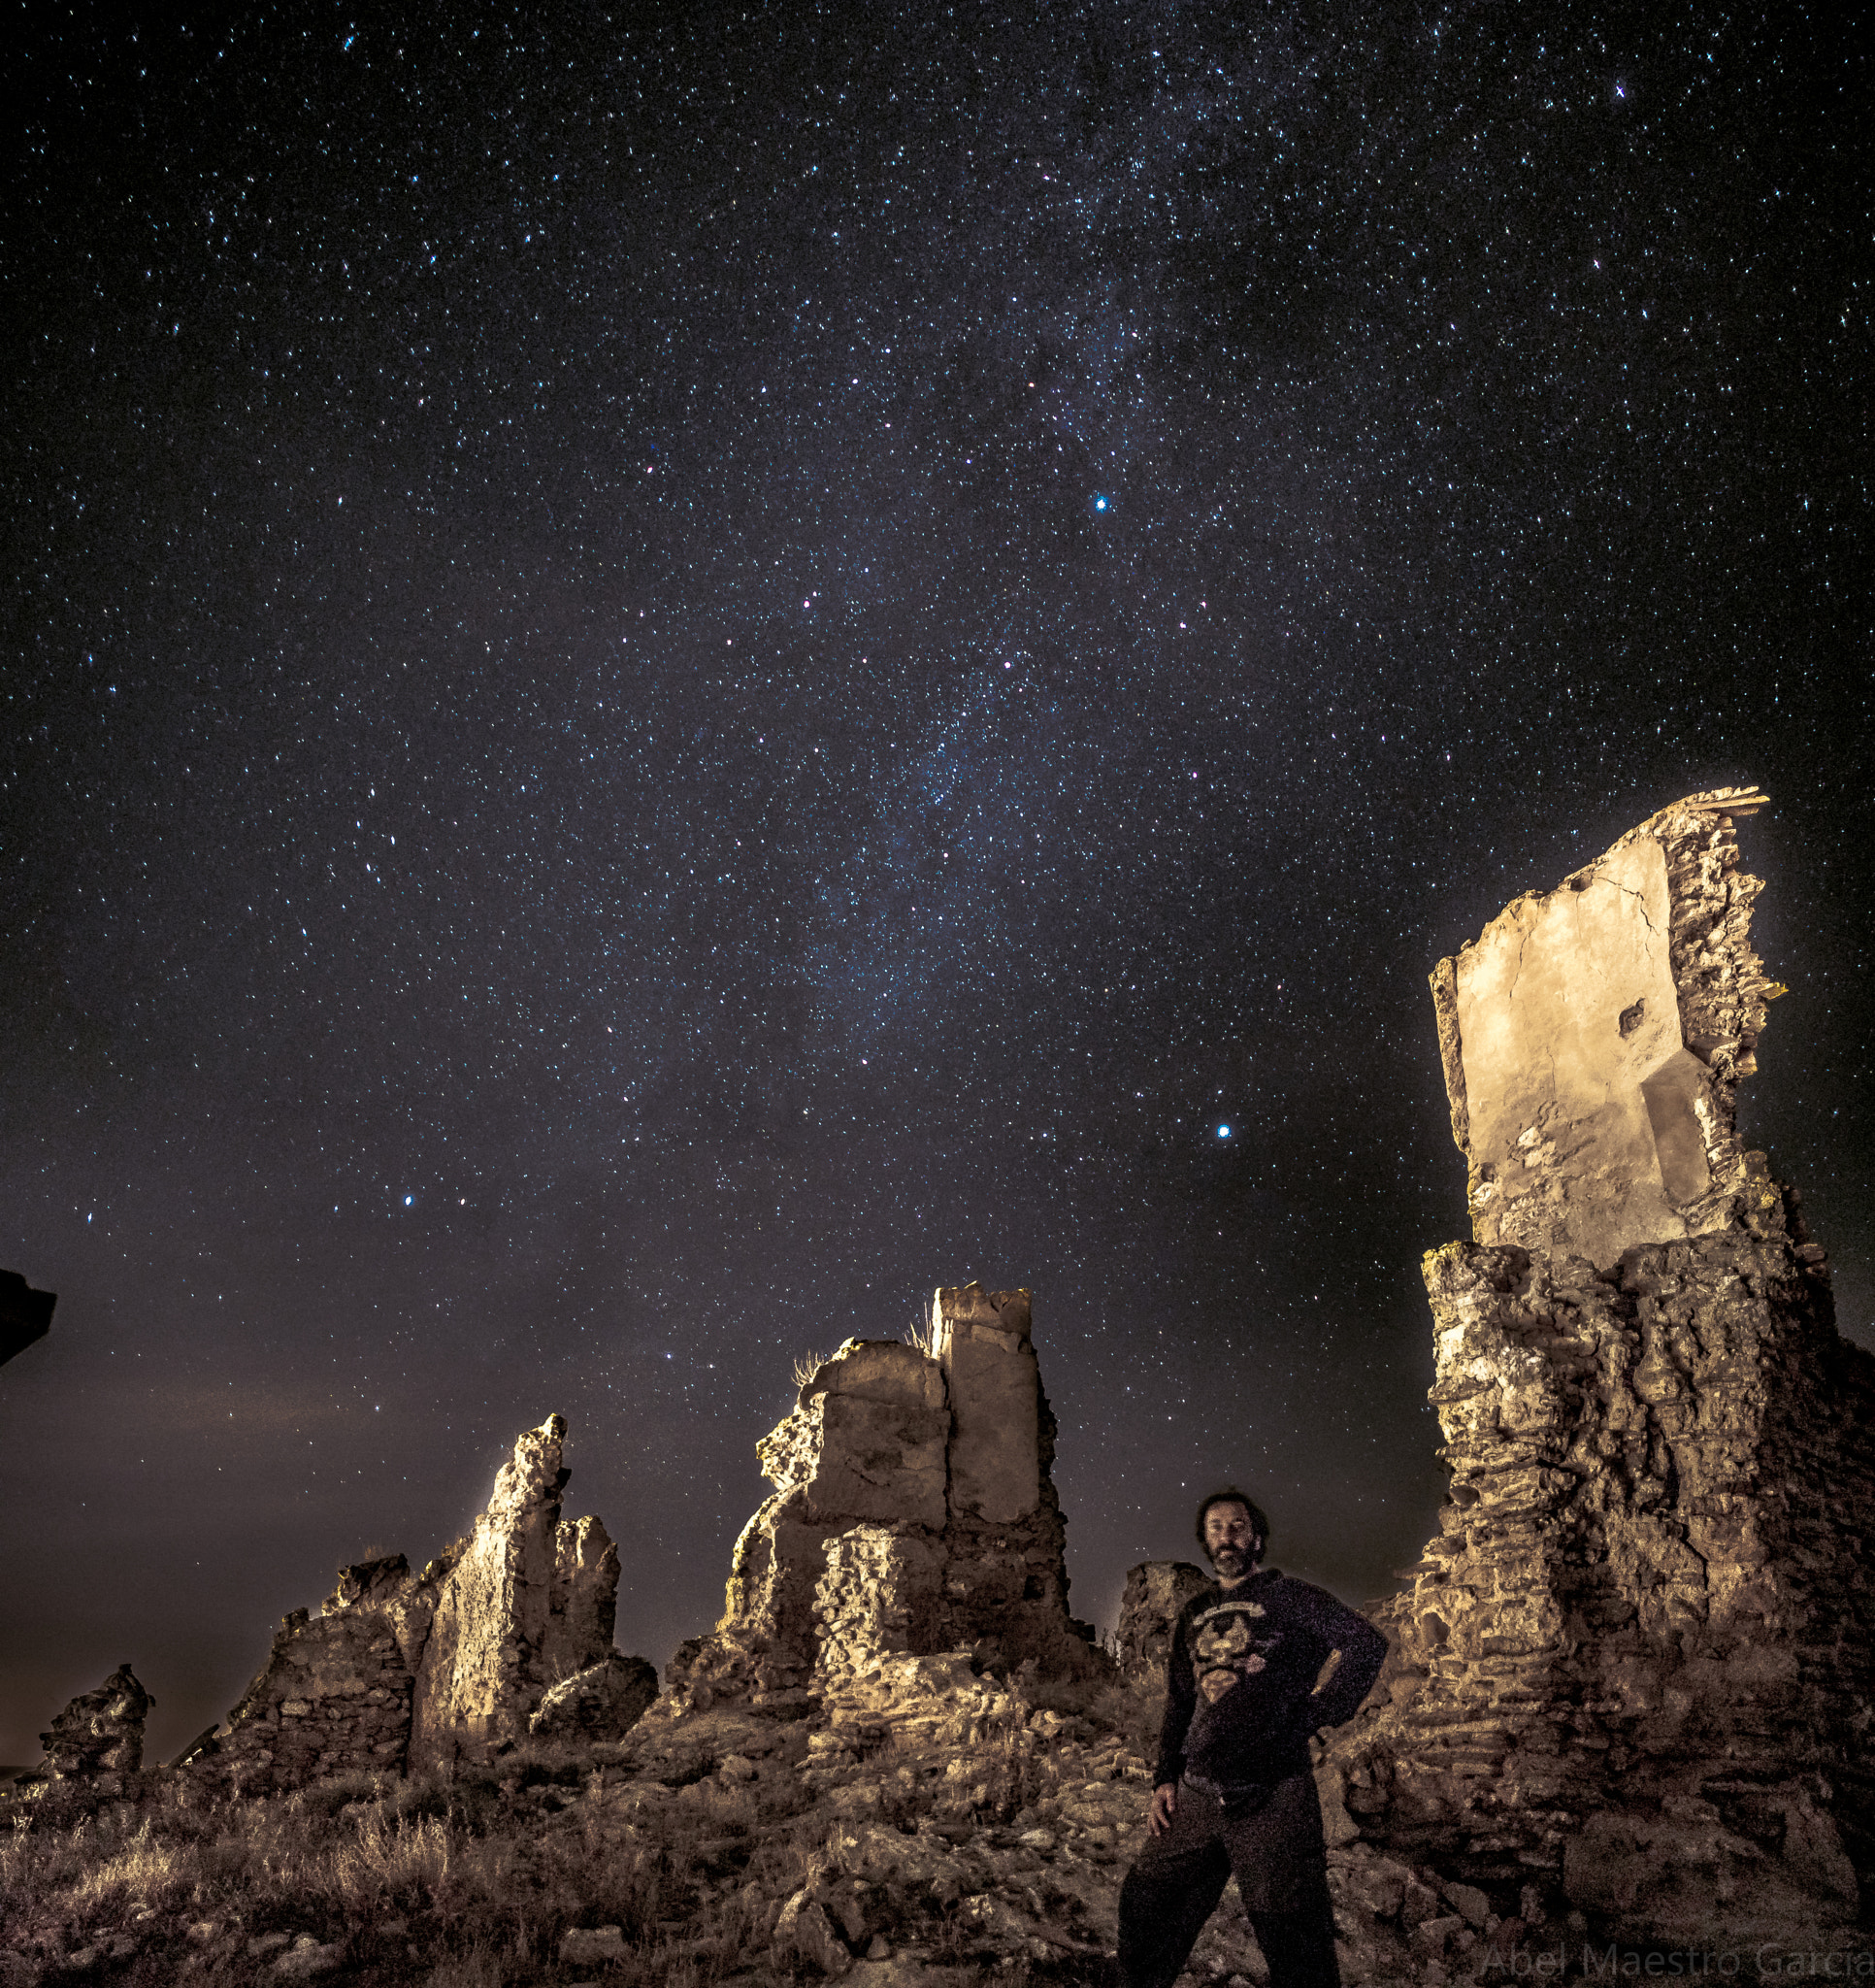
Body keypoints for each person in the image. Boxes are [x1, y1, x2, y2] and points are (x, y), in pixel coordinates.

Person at [1115, 1489, 1387, 1988]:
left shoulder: (1293, 1598)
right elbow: (1180, 1701)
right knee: (1147, 1904)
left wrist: (1317, 1712)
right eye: (1216, 1527)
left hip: (1274, 1794)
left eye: (1237, 1526)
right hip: (1195, 1792)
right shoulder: (1194, 1612)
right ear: (1205, 1541)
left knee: (1292, 1932)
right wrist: (1164, 1778)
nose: (1227, 1536)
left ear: (1256, 1536)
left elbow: (1366, 1644)